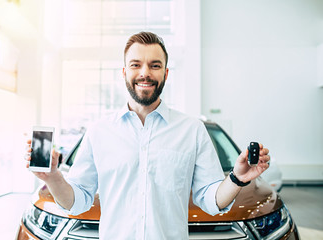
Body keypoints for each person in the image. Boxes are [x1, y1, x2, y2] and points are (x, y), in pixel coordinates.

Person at [26, 31, 270, 240]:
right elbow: (77, 202)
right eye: (136, 65)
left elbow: (210, 201)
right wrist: (53, 177)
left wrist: (238, 178)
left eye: (155, 65)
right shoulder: (99, 131)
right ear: (124, 72)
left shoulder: (192, 130)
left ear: (165, 73)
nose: (145, 73)